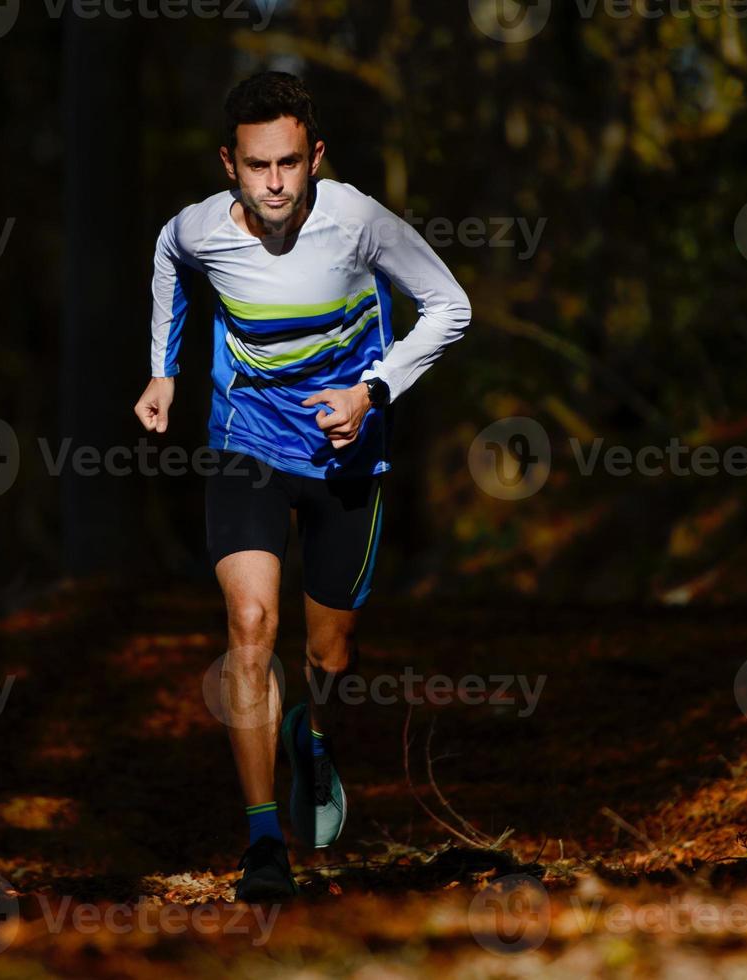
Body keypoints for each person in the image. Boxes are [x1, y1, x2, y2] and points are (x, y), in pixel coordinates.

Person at [133, 70, 471, 902]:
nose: (275, 184)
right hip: (245, 442)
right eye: (257, 167)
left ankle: (312, 739)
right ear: (229, 165)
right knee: (250, 623)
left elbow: (450, 305)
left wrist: (372, 392)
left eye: (289, 163)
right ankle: (262, 842)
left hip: (346, 455)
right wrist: (164, 372)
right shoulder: (200, 229)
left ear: (315, 156)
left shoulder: (358, 222)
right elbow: (169, 258)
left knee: (329, 655)